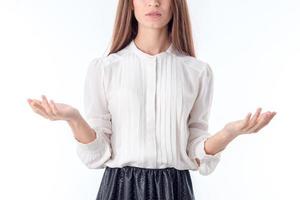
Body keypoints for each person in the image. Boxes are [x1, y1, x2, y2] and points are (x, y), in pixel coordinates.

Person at [27, 0, 277, 199]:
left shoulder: (197, 71)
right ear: (131, 3)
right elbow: (97, 154)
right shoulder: (104, 69)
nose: (154, 3)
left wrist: (229, 133)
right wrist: (73, 117)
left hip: (174, 189)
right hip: (119, 189)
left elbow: (196, 151)